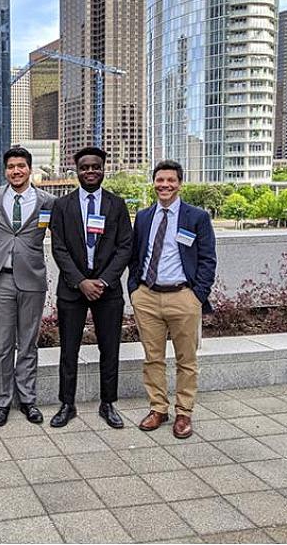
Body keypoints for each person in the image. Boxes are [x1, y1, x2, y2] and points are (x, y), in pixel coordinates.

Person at [128, 160, 217, 439]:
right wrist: (135, 290)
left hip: (183, 297)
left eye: (170, 180)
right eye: (160, 180)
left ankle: (184, 412)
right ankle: (158, 409)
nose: (165, 185)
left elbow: (208, 259)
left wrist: (197, 296)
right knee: (152, 358)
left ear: (180, 184)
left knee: (186, 360)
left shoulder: (197, 217)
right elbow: (135, 255)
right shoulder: (144, 216)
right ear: (153, 182)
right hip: (147, 296)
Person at [49, 146, 133, 429]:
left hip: (108, 291)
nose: (90, 171)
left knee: (110, 349)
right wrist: (81, 281)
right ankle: (67, 404)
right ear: (76, 171)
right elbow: (59, 248)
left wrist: (104, 281)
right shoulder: (62, 205)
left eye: (96, 166)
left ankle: (108, 403)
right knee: (68, 350)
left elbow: (125, 247)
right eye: (85, 167)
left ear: (103, 169)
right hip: (72, 289)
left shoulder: (117, 204)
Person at [0, 146, 56, 427]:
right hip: (0, 278)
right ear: (5, 171)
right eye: (11, 167)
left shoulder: (47, 201)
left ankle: (27, 400)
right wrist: (2, 251)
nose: (16, 171)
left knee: (28, 344)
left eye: (21, 166)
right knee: (1, 345)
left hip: (32, 278)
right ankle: (2, 402)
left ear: (29, 168)